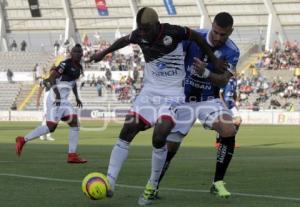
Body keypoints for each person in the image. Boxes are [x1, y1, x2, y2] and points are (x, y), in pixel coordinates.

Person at [89, 7, 225, 200]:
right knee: (127, 130)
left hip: (172, 94)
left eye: (146, 29)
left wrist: (213, 59)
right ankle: (110, 182)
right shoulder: (139, 34)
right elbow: (123, 40)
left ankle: (152, 185)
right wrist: (103, 53)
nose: (142, 33)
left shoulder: (174, 31)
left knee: (160, 136)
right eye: (140, 29)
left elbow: (198, 38)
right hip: (149, 92)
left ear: (156, 25)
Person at [142, 12, 240, 204]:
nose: (219, 38)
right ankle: (153, 185)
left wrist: (205, 72)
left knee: (229, 129)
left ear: (231, 32)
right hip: (183, 99)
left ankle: (218, 182)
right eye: (217, 32)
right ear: (212, 25)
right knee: (170, 146)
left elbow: (222, 82)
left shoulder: (232, 51)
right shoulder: (194, 37)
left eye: (224, 35)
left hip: (208, 99)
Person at [15, 44, 87, 164]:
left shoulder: (79, 67)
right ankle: (23, 139)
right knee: (50, 127)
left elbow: (73, 83)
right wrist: (58, 94)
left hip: (64, 100)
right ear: (71, 53)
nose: (78, 54)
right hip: (55, 98)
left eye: (80, 52)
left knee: (75, 123)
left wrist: (77, 98)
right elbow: (52, 78)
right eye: (76, 52)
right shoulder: (65, 64)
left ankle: (72, 155)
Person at [215, 76, 242, 148]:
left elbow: (234, 93)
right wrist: (223, 104)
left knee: (238, 121)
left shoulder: (235, 80)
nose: (235, 72)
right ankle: (218, 141)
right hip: (224, 103)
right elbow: (220, 93)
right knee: (225, 122)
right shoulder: (225, 79)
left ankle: (231, 142)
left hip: (231, 104)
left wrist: (235, 103)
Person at [36, 77, 55, 141]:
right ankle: (42, 134)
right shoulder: (45, 81)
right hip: (47, 101)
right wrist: (37, 101)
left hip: (53, 101)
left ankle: (48, 135)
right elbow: (40, 90)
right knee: (46, 117)